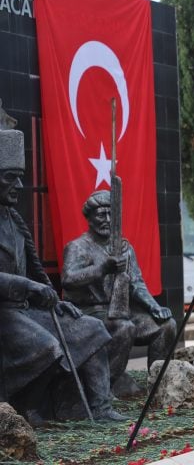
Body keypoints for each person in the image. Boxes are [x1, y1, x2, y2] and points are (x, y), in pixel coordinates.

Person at [0, 126, 125, 425]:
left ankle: (98, 407)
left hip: (27, 311)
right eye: (9, 178)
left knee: (92, 328)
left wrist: (55, 302)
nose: (18, 184)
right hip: (4, 314)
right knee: (46, 346)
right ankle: (26, 412)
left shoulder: (15, 222)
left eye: (19, 176)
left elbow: (36, 271)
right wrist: (28, 287)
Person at [62, 190, 177, 397]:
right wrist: (102, 268)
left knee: (166, 326)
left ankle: (158, 387)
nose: (106, 220)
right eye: (100, 214)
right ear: (89, 218)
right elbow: (68, 279)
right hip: (88, 312)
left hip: (120, 310)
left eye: (111, 215)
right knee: (124, 328)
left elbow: (136, 283)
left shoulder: (124, 247)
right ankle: (103, 391)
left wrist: (154, 306)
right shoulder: (78, 247)